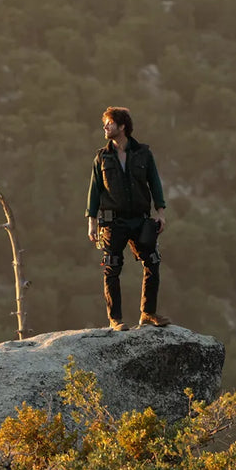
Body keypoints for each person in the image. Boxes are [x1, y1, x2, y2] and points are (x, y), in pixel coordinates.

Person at [86, 106, 170, 331]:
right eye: (105, 123)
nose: (105, 127)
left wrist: (160, 213)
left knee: (152, 261)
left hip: (140, 220)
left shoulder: (143, 153)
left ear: (122, 126)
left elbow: (155, 183)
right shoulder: (101, 157)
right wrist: (92, 222)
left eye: (109, 122)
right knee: (111, 268)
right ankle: (115, 319)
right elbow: (95, 191)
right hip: (113, 222)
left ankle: (148, 313)